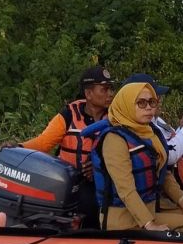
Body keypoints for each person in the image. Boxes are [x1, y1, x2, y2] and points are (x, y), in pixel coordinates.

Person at [90, 81, 183, 232]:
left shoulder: (149, 132)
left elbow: (164, 173)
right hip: (124, 219)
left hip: (151, 209)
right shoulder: (114, 139)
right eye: (141, 103)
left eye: (152, 102)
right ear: (127, 105)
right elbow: (125, 189)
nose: (149, 107)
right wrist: (149, 224)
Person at [15, 65, 115, 228]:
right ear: (88, 93)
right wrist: (18, 147)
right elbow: (43, 143)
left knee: (94, 201)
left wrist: (100, 167)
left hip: (102, 181)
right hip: (70, 183)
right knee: (85, 201)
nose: (110, 94)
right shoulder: (69, 114)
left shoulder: (115, 117)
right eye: (104, 89)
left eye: (111, 89)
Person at [123, 72, 183, 198]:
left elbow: (171, 143)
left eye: (157, 96)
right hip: (160, 196)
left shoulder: (157, 121)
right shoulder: (135, 127)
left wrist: (182, 128)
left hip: (178, 190)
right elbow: (167, 155)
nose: (159, 100)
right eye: (153, 96)